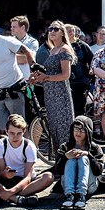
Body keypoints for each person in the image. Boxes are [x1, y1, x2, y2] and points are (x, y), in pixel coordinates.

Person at [0, 114, 54, 206]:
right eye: (12, 133)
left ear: (24, 131)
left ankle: (3, 196)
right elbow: (1, 172)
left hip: (24, 182)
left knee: (49, 177)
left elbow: (27, 177)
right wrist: (5, 174)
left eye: (19, 133)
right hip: (5, 182)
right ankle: (16, 199)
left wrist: (11, 191)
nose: (15, 137)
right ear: (7, 131)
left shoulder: (29, 146)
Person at [31, 20, 75, 151]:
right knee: (53, 127)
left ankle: (65, 159)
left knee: (63, 127)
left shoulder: (64, 49)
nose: (52, 32)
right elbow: (49, 71)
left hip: (60, 93)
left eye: (55, 29)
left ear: (62, 32)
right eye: (50, 29)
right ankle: (57, 160)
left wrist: (46, 77)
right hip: (50, 93)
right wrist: (39, 76)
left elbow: (65, 75)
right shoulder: (53, 50)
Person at [54, 115, 105, 210]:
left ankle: (81, 195)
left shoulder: (95, 148)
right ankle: (70, 195)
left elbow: (99, 171)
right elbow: (58, 171)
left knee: (83, 158)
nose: (78, 132)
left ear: (88, 132)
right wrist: (65, 157)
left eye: (82, 130)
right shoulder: (64, 147)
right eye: (76, 129)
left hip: (89, 186)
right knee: (71, 159)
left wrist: (88, 155)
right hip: (68, 185)